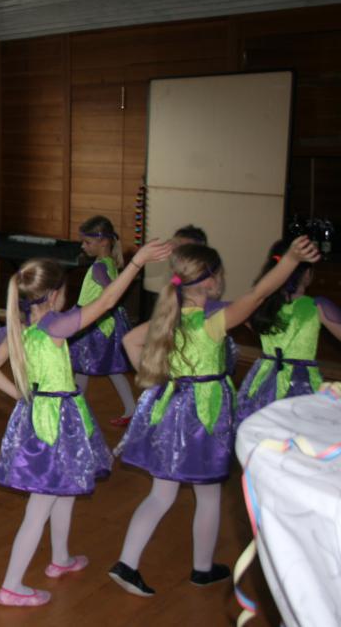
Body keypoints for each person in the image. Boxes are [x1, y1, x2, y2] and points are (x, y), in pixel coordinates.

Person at [110, 236, 320, 597]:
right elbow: (257, 295)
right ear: (211, 281)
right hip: (200, 419)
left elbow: (130, 340)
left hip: (171, 409)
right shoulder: (211, 324)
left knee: (161, 495)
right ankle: (202, 569)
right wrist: (289, 259)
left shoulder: (169, 318)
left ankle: (127, 564)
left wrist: (156, 377)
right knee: (208, 494)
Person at [0, 240, 172, 608]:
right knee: (39, 508)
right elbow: (106, 303)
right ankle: (11, 585)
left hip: (46, 414)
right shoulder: (54, 325)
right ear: (55, 294)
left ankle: (61, 558)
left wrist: (23, 396)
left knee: (64, 488)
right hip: (54, 422)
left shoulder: (25, 328)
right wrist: (136, 263)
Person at [235, 240, 341, 421]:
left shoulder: (261, 306)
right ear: (307, 274)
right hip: (301, 382)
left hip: (263, 378)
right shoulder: (316, 306)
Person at [70, 216, 138, 426]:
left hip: (94, 323)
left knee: (84, 366)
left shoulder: (100, 267)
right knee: (101, 368)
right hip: (101, 321)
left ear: (103, 242)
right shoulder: (108, 262)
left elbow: (111, 292)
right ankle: (131, 409)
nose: (83, 246)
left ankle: (74, 410)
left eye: (87, 242)